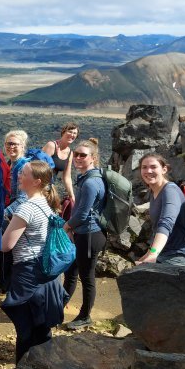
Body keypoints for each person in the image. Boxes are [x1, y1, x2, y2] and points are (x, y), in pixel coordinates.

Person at [0, 161, 69, 362]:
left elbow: (6, 245)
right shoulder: (45, 204)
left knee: (26, 328)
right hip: (45, 270)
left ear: (37, 181)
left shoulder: (26, 208)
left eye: (24, 173)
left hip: (27, 272)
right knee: (41, 324)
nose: (19, 175)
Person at [62, 139, 107, 330]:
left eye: (83, 155)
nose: (78, 158)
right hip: (84, 233)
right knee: (71, 273)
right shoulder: (89, 179)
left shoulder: (90, 183)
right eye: (76, 154)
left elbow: (82, 213)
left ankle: (85, 315)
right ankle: (57, 307)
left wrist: (67, 227)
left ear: (93, 158)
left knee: (86, 277)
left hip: (90, 235)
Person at [136, 153, 185, 266]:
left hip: (176, 256)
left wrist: (153, 254)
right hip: (162, 254)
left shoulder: (170, 191)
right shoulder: (153, 192)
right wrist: (149, 253)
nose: (148, 171)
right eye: (144, 167)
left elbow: (166, 223)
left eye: (153, 167)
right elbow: (156, 228)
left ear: (164, 169)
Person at [0, 129, 29, 294]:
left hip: (16, 216)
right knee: (5, 254)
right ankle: (3, 283)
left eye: (14, 144)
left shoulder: (22, 167)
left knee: (10, 254)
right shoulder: (11, 164)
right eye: (8, 143)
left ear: (22, 146)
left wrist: (3, 213)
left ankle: (9, 287)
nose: (11, 147)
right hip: (10, 214)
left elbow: (23, 198)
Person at [42, 122, 79, 214]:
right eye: (70, 132)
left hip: (50, 187)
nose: (72, 135)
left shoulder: (70, 153)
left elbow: (67, 177)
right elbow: (39, 168)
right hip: (40, 185)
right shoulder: (51, 146)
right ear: (63, 132)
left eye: (75, 133)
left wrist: (72, 196)